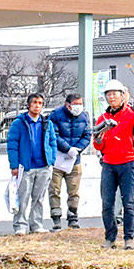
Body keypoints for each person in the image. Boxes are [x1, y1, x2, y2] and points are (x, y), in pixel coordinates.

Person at [93, 79, 134, 250]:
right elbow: (98, 145)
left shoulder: (132, 113)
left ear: (122, 95)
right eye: (108, 94)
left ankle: (129, 238)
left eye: (115, 93)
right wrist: (98, 139)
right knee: (107, 203)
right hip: (108, 164)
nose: (112, 97)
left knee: (128, 201)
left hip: (128, 163)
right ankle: (110, 238)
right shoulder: (102, 117)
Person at [7, 93, 58, 235]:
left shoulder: (47, 123)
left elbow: (52, 142)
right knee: (23, 198)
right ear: (29, 105)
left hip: (43, 166)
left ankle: (36, 224)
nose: (37, 105)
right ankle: (20, 226)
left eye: (40, 103)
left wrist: (51, 160)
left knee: (39, 198)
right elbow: (12, 144)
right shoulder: (19, 123)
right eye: (34, 102)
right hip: (26, 167)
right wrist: (14, 165)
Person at [49, 93, 90, 230]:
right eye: (76, 104)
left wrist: (78, 149)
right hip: (58, 159)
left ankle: (73, 217)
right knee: (54, 189)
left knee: (74, 190)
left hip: (75, 160)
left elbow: (87, 135)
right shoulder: (56, 115)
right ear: (68, 105)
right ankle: (56, 218)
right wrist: (67, 148)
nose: (79, 107)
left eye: (80, 104)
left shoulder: (84, 116)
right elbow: (53, 134)